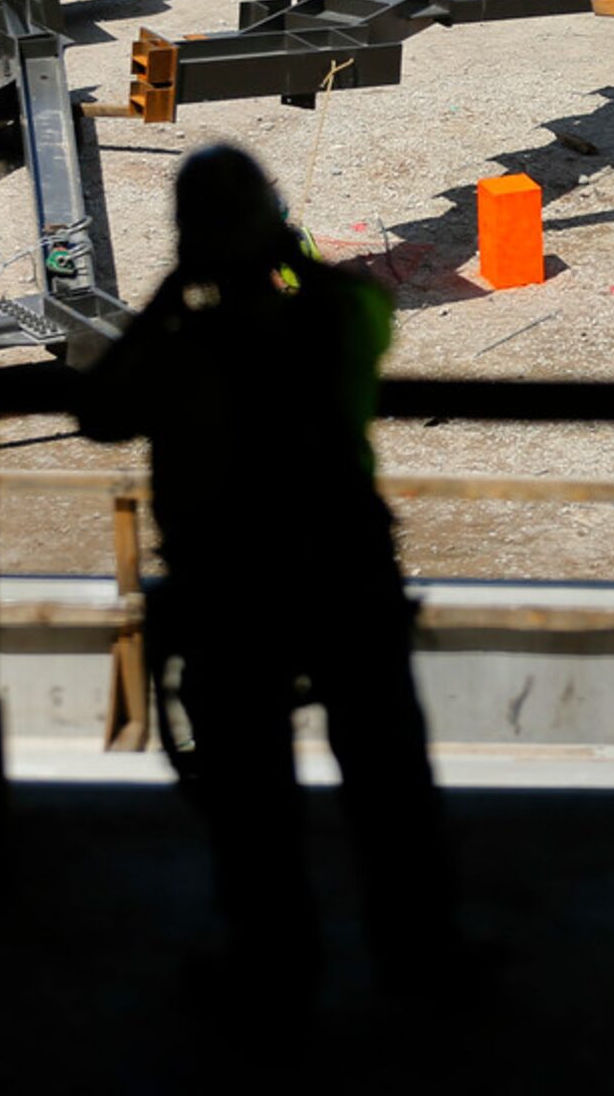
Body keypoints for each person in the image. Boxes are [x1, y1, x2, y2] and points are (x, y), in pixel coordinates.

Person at [81, 143, 456, 1015]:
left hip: (228, 592)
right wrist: (290, 255)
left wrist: (175, 288)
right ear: (271, 228)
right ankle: (422, 965)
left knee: (251, 805)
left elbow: (97, 411)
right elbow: (366, 303)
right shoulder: (332, 324)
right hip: (344, 575)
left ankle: (272, 973)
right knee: (389, 787)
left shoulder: (181, 348)